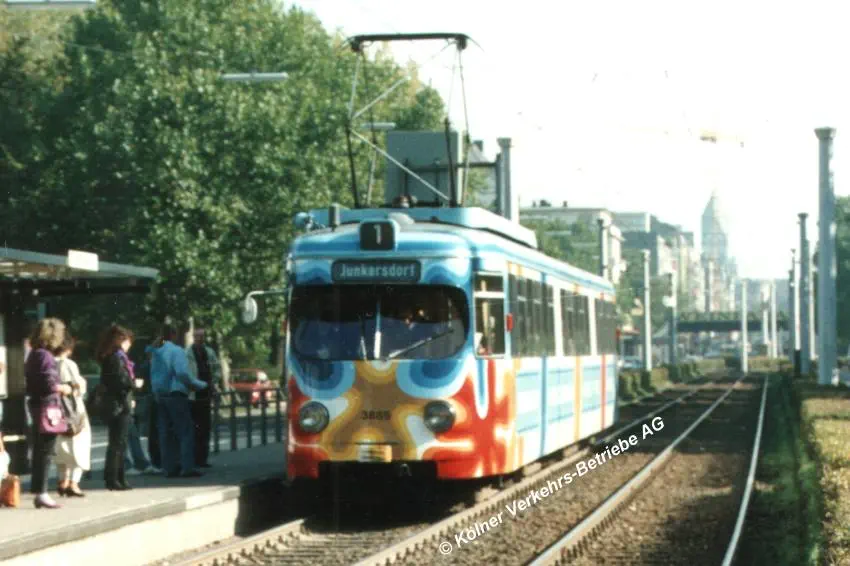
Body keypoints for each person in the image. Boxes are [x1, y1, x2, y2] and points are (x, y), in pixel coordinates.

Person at [25, 317, 73, 508]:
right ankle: (42, 492)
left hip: (37, 404)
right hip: (48, 406)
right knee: (46, 451)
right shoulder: (45, 356)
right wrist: (64, 388)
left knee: (40, 451)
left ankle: (39, 491)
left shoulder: (34, 354)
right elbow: (49, 383)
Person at [151, 323, 208, 478]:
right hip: (176, 394)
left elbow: (153, 375)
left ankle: (169, 467)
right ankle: (187, 467)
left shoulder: (156, 352)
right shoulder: (177, 351)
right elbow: (182, 373)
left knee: (166, 433)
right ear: (174, 334)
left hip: (161, 395)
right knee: (185, 431)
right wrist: (198, 385)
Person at [97, 324, 136, 491]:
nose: (129, 345)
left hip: (116, 403)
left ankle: (117, 477)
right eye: (127, 341)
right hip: (119, 404)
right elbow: (120, 381)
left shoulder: (110, 356)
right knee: (118, 443)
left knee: (118, 442)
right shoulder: (117, 358)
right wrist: (134, 384)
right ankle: (115, 478)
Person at [53, 335, 91, 497]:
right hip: (74, 410)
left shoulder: (49, 363)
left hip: (55, 410)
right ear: (68, 349)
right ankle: (73, 483)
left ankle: (62, 480)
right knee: (79, 445)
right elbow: (78, 387)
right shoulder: (68, 364)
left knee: (60, 447)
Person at [185, 328, 221, 468]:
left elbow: (216, 368)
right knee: (195, 427)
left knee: (205, 427)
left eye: (202, 336)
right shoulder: (188, 353)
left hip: (206, 393)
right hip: (193, 394)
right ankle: (195, 458)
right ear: (194, 337)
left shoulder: (209, 352)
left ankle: (203, 458)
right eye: (197, 336)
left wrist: (213, 381)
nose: (200, 339)